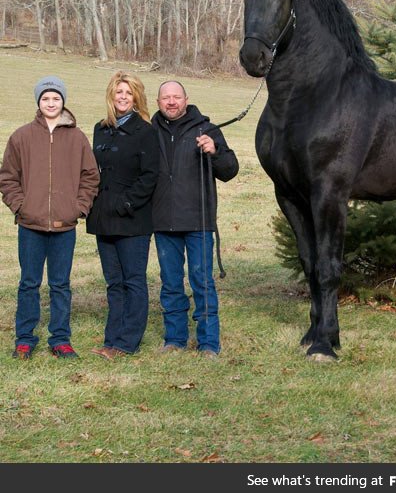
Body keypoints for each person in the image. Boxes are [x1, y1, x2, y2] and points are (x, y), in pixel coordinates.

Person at [0, 76, 99, 359]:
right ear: (38, 102)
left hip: (64, 226)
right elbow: (8, 177)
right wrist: (21, 206)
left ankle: (60, 338)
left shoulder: (77, 138)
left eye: (56, 98)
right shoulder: (21, 136)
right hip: (30, 225)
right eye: (46, 98)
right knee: (29, 283)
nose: (51, 103)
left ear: (63, 101)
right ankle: (24, 338)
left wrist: (78, 208)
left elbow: (90, 177)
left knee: (60, 284)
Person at [152, 80, 239, 356]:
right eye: (166, 97)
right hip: (163, 221)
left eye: (176, 97)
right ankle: (175, 339)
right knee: (171, 283)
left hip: (198, 221)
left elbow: (230, 170)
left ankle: (209, 343)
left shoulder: (207, 129)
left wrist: (214, 152)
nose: (171, 101)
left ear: (186, 99)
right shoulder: (149, 131)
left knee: (202, 281)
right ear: (158, 102)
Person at [87, 71, 159, 360]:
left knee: (133, 280)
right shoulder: (100, 128)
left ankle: (128, 342)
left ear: (136, 97)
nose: (123, 98)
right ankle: (111, 339)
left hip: (132, 219)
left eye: (129, 93)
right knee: (113, 282)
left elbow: (150, 175)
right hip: (103, 217)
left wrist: (127, 203)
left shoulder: (146, 131)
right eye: (119, 93)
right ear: (111, 95)